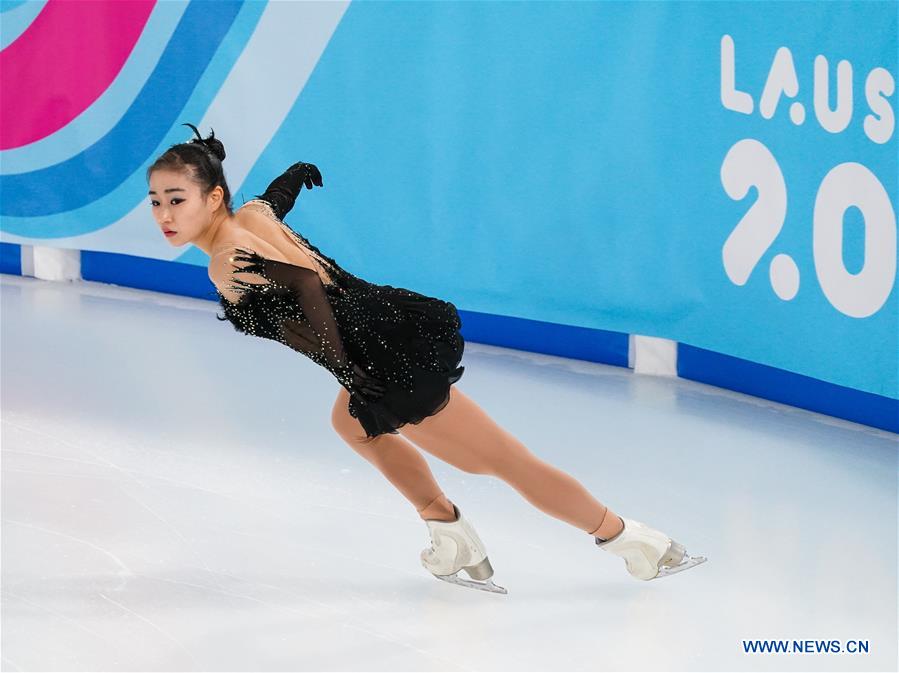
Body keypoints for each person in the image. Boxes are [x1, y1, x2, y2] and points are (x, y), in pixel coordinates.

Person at [146, 123, 706, 594]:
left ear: (212, 197)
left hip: (382, 360)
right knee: (350, 424)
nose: (166, 214)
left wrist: (352, 369)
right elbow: (274, 205)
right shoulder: (252, 217)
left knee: (503, 461)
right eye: (156, 202)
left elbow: (304, 287)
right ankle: (449, 531)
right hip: (385, 329)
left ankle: (634, 541)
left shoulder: (224, 262)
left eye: (178, 199)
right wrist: (294, 176)